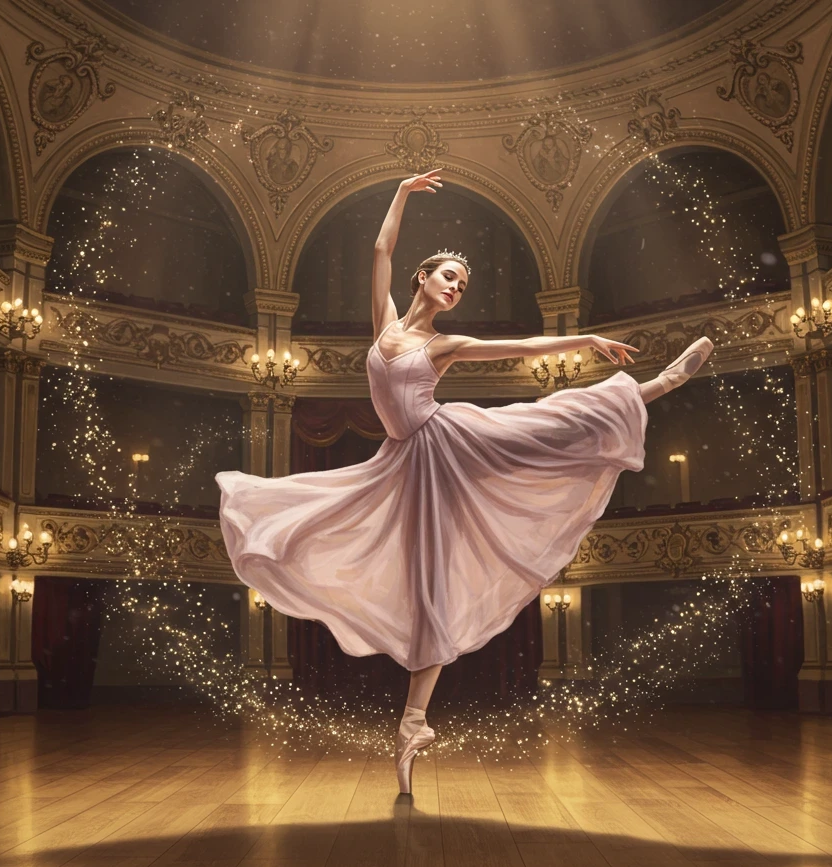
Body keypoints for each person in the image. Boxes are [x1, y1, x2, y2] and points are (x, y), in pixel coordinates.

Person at [216, 170, 712, 795]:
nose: (456, 286)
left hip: (445, 441)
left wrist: (586, 337)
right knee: (418, 585)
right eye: (448, 275)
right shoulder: (385, 325)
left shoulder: (446, 343)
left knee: (545, 424)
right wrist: (400, 191)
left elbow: (524, 350)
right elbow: (379, 250)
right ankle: (412, 725)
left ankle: (653, 388)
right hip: (402, 462)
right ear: (421, 278)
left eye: (464, 283)